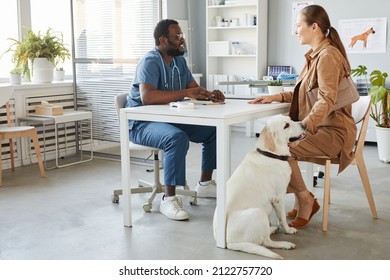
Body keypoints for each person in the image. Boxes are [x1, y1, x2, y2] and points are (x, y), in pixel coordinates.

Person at [249, 5, 357, 228]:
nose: (296, 30)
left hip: (334, 132)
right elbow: (305, 92)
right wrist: (276, 97)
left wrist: (304, 127)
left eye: (299, 25)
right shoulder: (315, 56)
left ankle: (305, 199)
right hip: (323, 127)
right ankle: (302, 197)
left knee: (283, 149)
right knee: (282, 147)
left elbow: (326, 99)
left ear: (314, 27)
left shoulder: (327, 56)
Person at [125, 19, 225, 221]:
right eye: (177, 36)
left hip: (169, 119)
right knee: (176, 138)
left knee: (214, 130)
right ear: (163, 40)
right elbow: (148, 97)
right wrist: (187, 92)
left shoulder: (179, 61)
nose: (182, 40)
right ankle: (168, 198)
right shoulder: (150, 62)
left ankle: (204, 185)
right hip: (141, 123)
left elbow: (193, 89)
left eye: (182, 35)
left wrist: (209, 94)